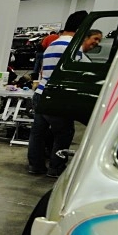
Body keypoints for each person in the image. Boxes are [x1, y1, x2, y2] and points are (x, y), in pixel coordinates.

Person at [26, 10, 93, 177]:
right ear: (81, 28)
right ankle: (56, 168)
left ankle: (35, 166)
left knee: (37, 133)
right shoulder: (73, 47)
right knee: (63, 133)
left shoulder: (52, 44)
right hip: (57, 96)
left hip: (41, 92)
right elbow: (80, 73)